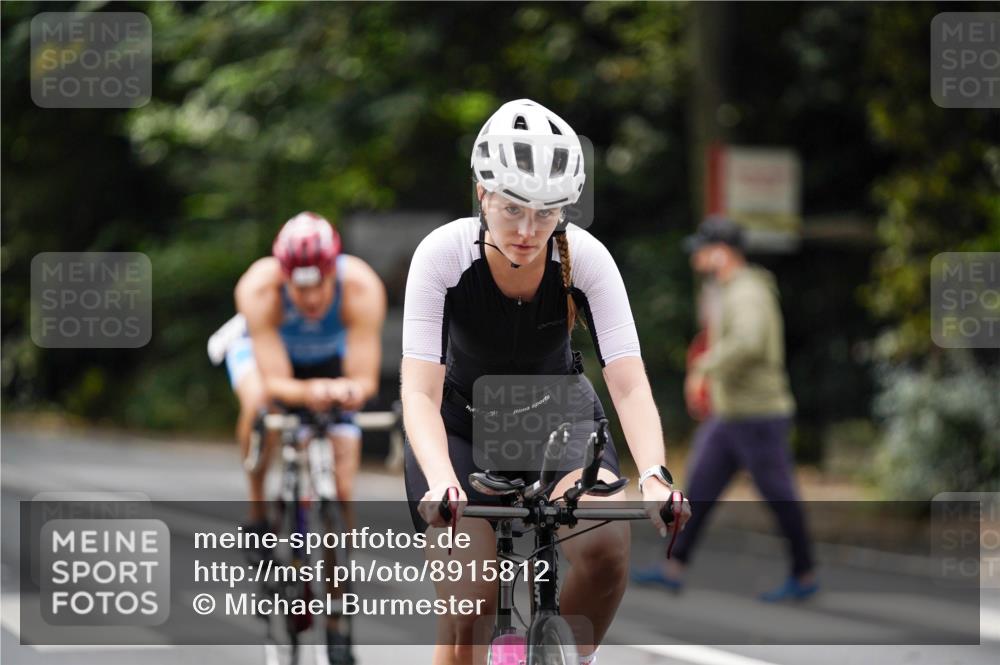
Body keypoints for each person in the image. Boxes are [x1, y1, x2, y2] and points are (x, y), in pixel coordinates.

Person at [400, 99, 690, 665]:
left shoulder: (587, 259)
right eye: (512, 210)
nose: (529, 231)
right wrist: (441, 480)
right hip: (460, 429)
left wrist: (655, 476)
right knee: (472, 604)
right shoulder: (442, 255)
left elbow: (629, 384)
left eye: (547, 212)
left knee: (605, 546)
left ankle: (569, 658)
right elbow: (418, 393)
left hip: (559, 421)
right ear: (482, 193)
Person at [225, 211, 386, 663]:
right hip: (271, 364)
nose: (312, 297)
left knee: (344, 483)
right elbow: (277, 383)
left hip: (328, 362)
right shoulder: (259, 289)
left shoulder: (362, 288)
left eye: (320, 284)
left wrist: (347, 391)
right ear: (283, 276)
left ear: (335, 269)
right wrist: (310, 393)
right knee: (260, 404)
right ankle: (258, 514)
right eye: (300, 286)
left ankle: (337, 625)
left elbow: (364, 377)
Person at [632, 216, 817, 601]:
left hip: (758, 416)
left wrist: (704, 366)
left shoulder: (747, 292)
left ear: (721, 252)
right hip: (730, 416)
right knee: (698, 488)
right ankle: (673, 567)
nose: (696, 256)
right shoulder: (729, 289)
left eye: (702, 248)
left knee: (779, 496)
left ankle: (803, 575)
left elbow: (750, 343)